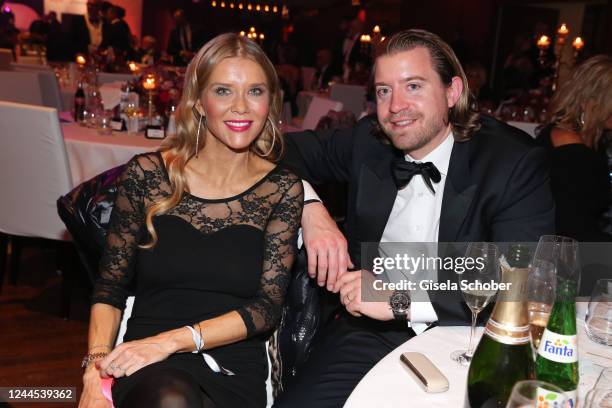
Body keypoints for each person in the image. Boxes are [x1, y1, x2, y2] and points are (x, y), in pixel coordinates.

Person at [275, 29, 554, 407]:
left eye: (414, 86)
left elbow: (520, 283)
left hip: (473, 336)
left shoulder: (510, 162)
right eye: (384, 91)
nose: (395, 106)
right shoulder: (367, 142)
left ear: (452, 92)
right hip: (371, 331)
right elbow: (277, 150)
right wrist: (311, 209)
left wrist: (400, 299)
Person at [78, 33, 304, 408]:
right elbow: (109, 287)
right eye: (223, 91)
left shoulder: (281, 189)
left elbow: (266, 308)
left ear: (271, 103)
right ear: (199, 102)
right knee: (170, 399)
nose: (241, 108)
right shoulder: (148, 175)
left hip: (229, 362)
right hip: (144, 359)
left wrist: (170, 342)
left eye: (255, 91)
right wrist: (94, 369)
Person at [536, 55, 612, 242]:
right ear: (590, 101)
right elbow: (572, 229)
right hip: (563, 252)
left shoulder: (593, 138)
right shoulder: (569, 150)